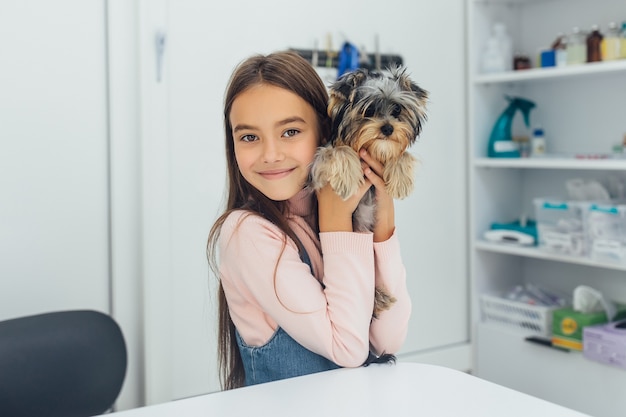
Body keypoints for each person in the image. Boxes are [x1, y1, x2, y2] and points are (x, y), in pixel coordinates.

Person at [207, 51, 411, 390]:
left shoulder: (334, 210)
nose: (271, 154)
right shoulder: (247, 233)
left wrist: (384, 219)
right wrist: (335, 221)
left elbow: (387, 341)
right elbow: (349, 349)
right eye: (249, 137)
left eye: (290, 132)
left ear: (325, 130)